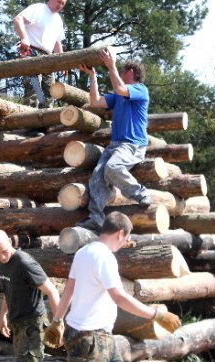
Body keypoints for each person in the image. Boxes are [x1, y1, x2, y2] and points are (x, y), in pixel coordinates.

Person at [44, 212, 181, 362]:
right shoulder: (104, 257)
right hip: (89, 339)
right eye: (126, 238)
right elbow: (119, 296)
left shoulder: (83, 252)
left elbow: (69, 290)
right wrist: (155, 315)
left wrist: (57, 320)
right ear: (120, 234)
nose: (126, 242)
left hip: (100, 338)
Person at [76, 50, 152, 234]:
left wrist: (111, 66)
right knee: (97, 176)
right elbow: (95, 101)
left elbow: (120, 88)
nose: (120, 71)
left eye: (123, 70)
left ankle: (140, 193)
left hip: (132, 145)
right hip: (115, 145)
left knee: (113, 168)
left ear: (132, 73)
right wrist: (93, 76)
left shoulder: (140, 89)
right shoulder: (118, 96)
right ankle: (95, 219)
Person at [0, 230, 60, 362]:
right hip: (18, 324)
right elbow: (8, 290)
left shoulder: (24, 262)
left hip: (34, 325)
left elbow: (52, 291)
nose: (2, 257)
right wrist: (2, 315)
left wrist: (59, 322)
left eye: (4, 251)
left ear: (10, 243)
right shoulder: (0, 262)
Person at [13, 0, 67, 108]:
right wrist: (24, 38)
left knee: (49, 92)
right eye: (59, 2)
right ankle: (27, 122)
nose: (60, 6)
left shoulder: (58, 20)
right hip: (32, 51)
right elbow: (18, 19)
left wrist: (63, 62)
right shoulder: (38, 9)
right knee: (34, 89)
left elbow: (57, 42)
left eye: (63, 4)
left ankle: (45, 122)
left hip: (48, 57)